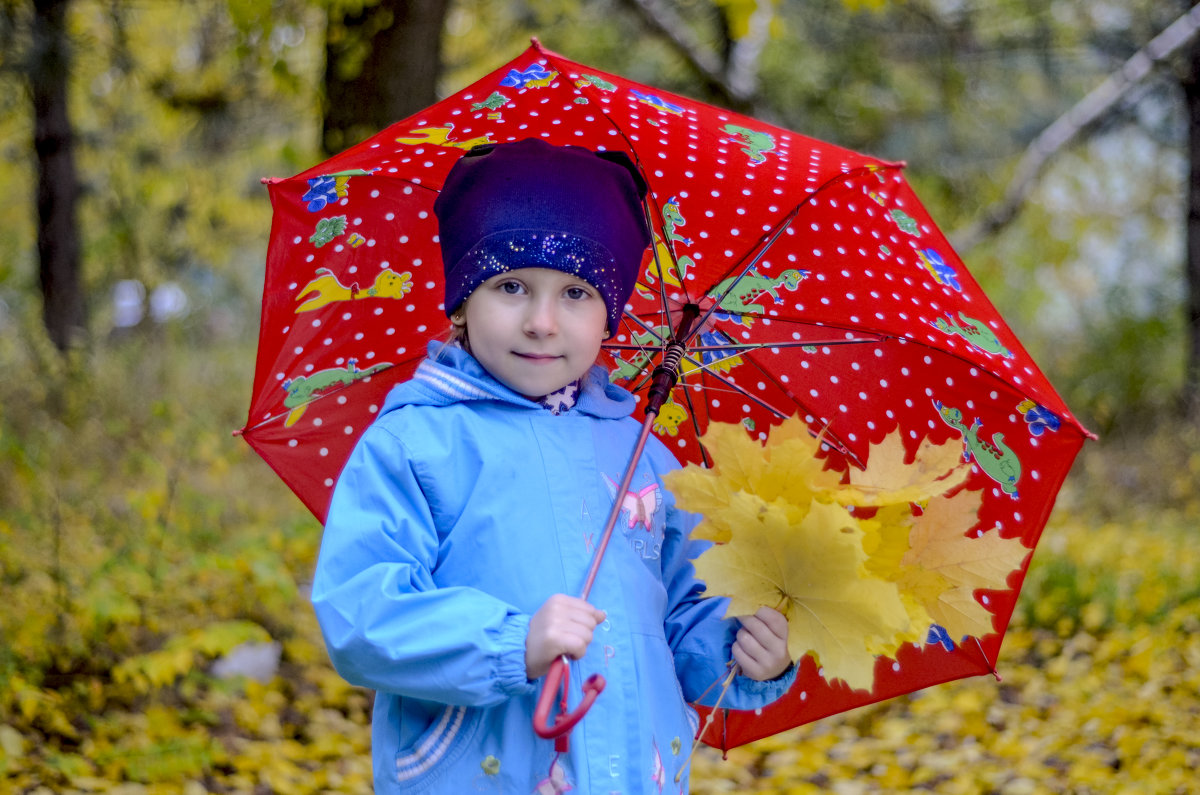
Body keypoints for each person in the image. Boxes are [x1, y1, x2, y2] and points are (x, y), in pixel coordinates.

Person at [311, 138, 794, 795]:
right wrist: (511, 642)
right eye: (511, 285)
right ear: (462, 301)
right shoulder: (416, 443)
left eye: (575, 291)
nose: (541, 321)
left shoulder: (645, 455)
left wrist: (743, 654)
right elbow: (363, 613)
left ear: (609, 313)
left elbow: (685, 617)